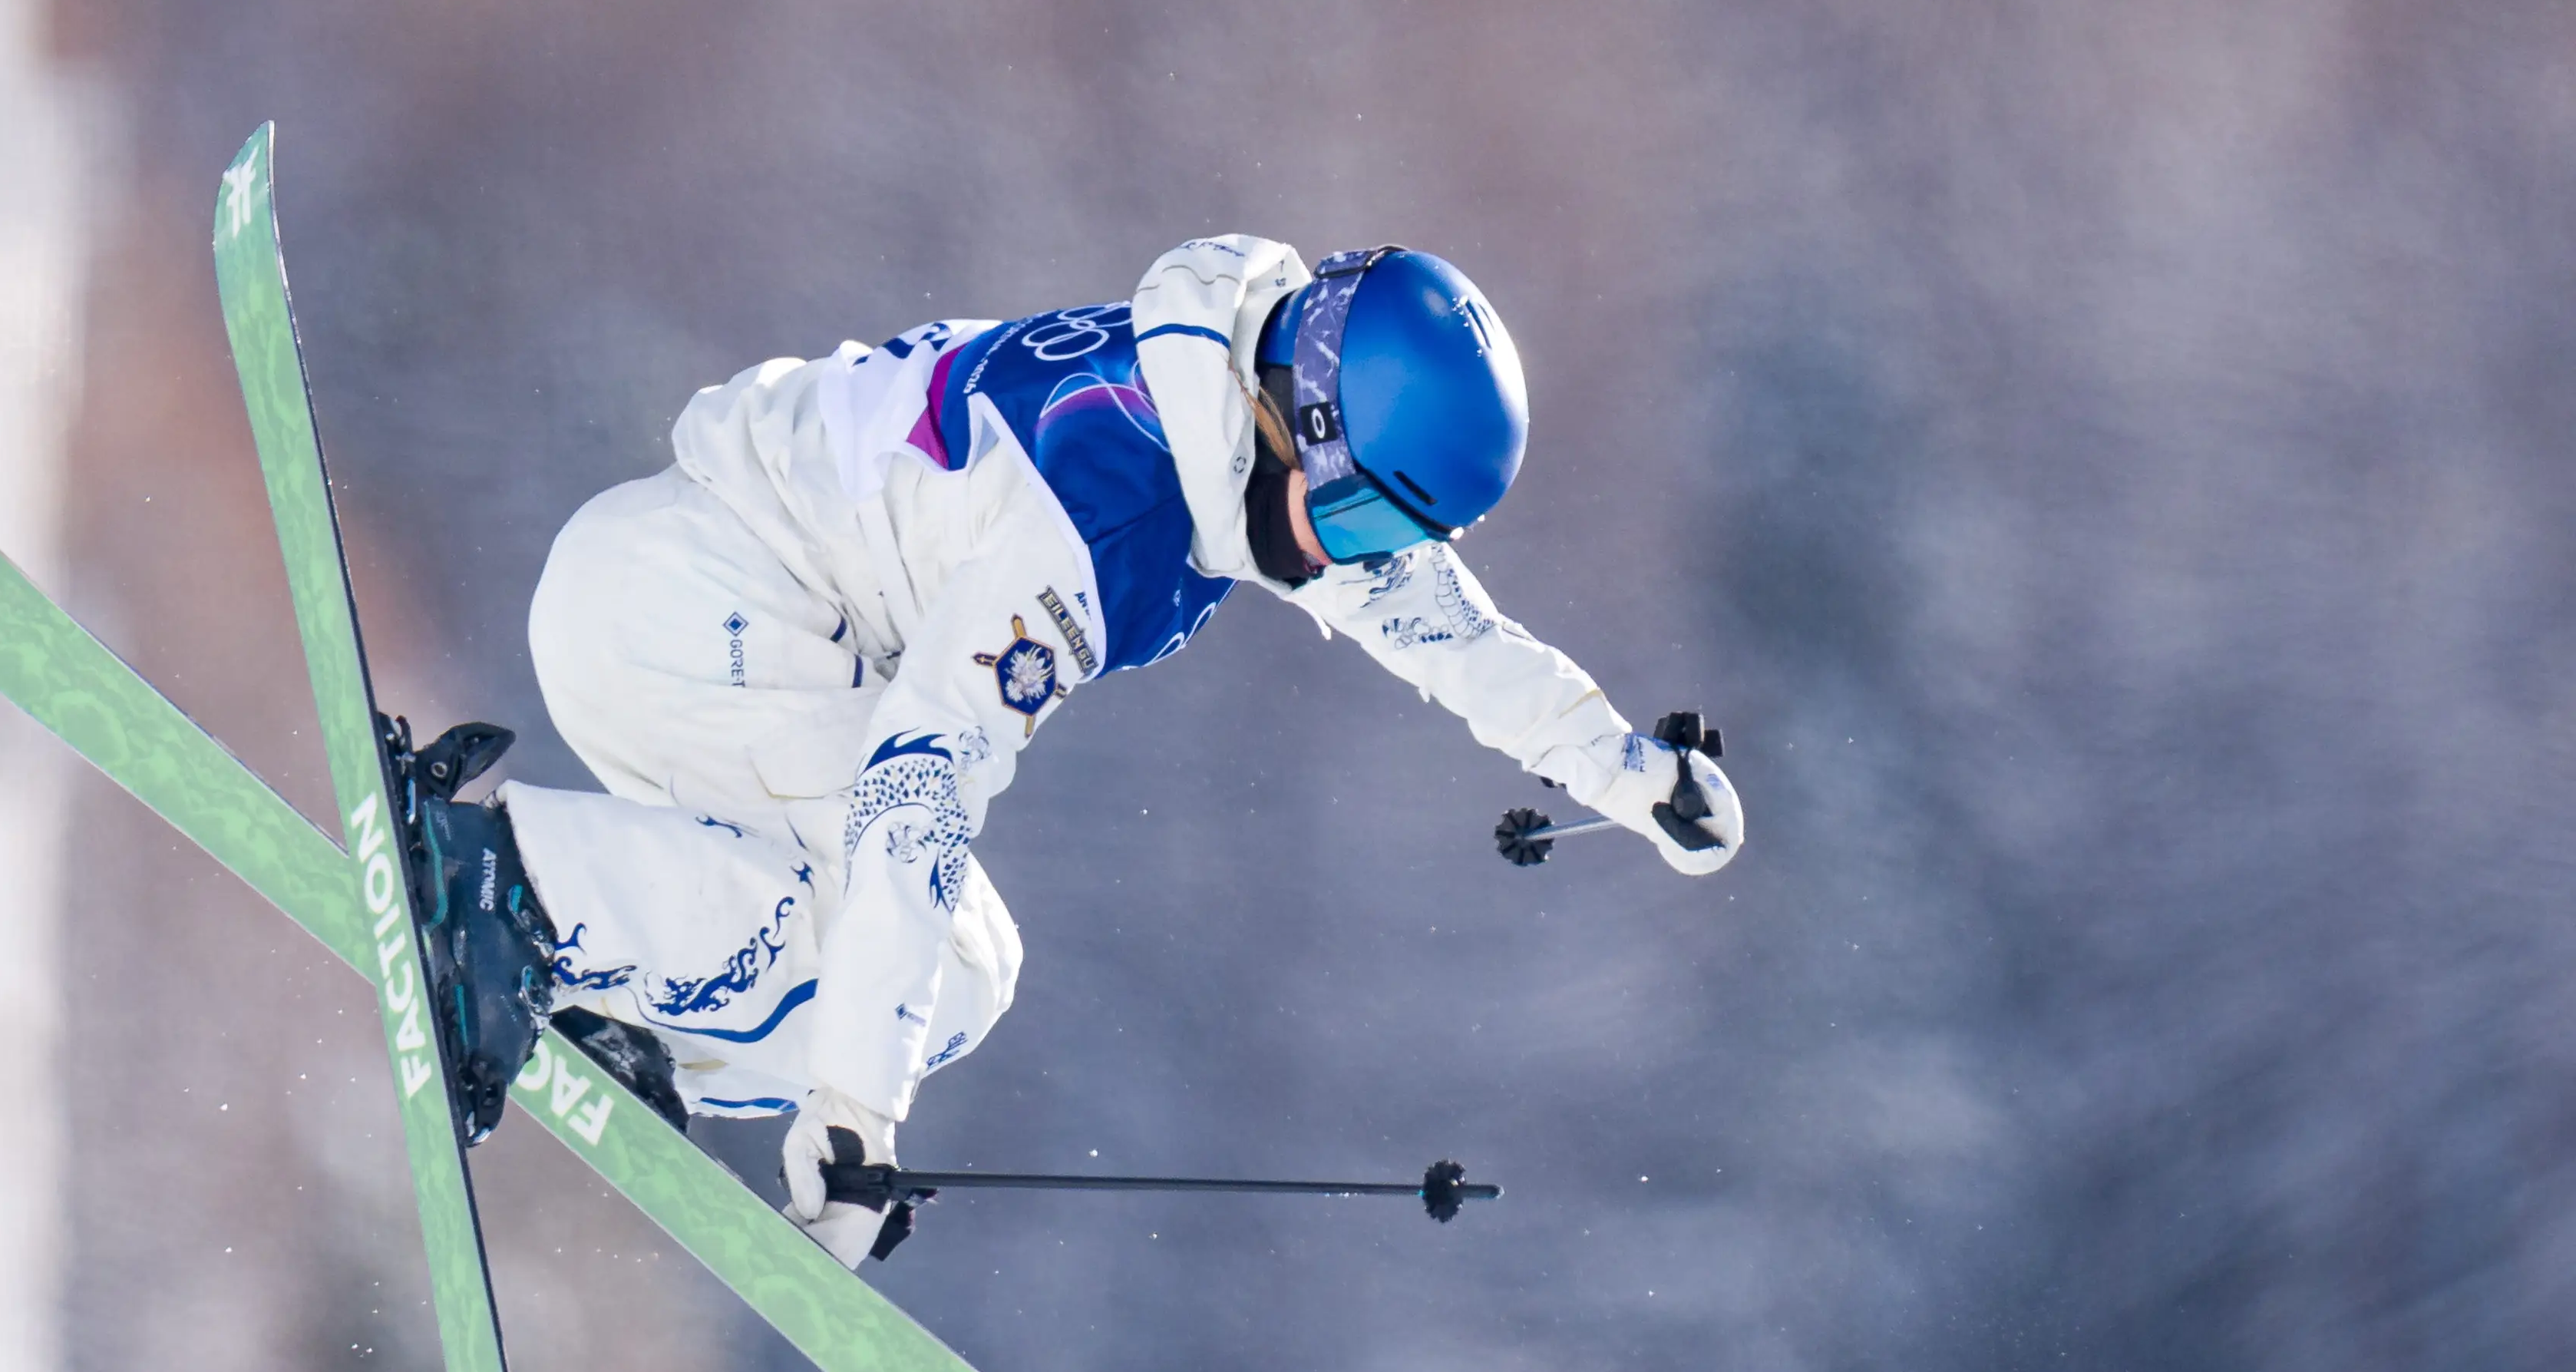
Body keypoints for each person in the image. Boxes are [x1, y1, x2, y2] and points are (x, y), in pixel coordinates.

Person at [406, 239, 1743, 1267]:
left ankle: (613, 990)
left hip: (699, 610)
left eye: (1396, 535)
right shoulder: (1099, 513)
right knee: (932, 945)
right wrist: (857, 1119)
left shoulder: (1222, 395)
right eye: (1359, 517)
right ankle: (512, 886)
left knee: (971, 972)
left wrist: (1624, 771)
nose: (1361, 562)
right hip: (697, 618)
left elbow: (1431, 622)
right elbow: (916, 799)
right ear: (1311, 426)